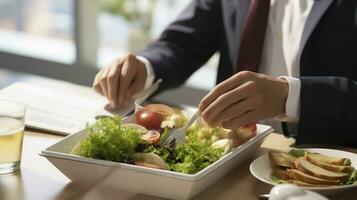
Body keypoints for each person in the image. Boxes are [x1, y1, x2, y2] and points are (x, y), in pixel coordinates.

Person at [93, 0, 357, 147]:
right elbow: (183, 41)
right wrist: (144, 66)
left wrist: (290, 96)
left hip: (330, 157)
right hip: (230, 156)